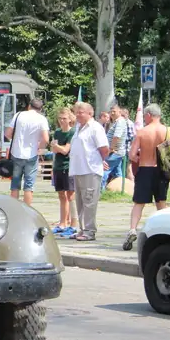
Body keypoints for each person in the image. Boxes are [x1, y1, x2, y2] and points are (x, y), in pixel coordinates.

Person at [123, 103, 170, 250]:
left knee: (139, 204)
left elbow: (132, 155)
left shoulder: (142, 132)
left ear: (148, 115)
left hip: (145, 169)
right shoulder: (168, 131)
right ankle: (165, 233)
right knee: (161, 203)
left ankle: (132, 229)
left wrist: (141, 155)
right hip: (161, 171)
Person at [68, 102, 109, 242]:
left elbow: (104, 148)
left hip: (90, 169)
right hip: (78, 169)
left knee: (89, 201)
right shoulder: (78, 127)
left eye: (81, 112)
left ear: (90, 113)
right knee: (80, 201)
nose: (78, 114)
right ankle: (82, 229)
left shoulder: (95, 128)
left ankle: (90, 230)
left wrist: (99, 160)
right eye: (76, 112)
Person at [4, 97, 50, 205]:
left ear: (29, 106)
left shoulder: (18, 115)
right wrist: (39, 147)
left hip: (16, 153)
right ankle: (27, 211)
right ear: (40, 109)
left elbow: (8, 134)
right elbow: (46, 139)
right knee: (29, 186)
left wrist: (17, 140)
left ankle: (14, 209)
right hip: (31, 155)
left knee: (15, 184)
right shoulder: (42, 119)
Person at [49, 107, 77, 237]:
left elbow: (66, 150)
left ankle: (73, 224)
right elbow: (54, 150)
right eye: (60, 118)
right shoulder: (58, 132)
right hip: (58, 166)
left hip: (68, 166)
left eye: (64, 118)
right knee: (61, 195)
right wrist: (57, 148)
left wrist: (57, 147)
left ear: (70, 119)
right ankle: (62, 223)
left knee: (70, 195)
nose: (62, 121)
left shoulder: (72, 132)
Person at [103, 103, 129, 185]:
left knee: (104, 171)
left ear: (120, 111)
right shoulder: (117, 122)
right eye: (111, 112)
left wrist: (110, 149)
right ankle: (121, 190)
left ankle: (100, 192)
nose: (112, 113)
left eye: (114, 111)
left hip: (114, 152)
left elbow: (116, 137)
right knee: (117, 174)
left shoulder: (120, 122)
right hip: (117, 152)